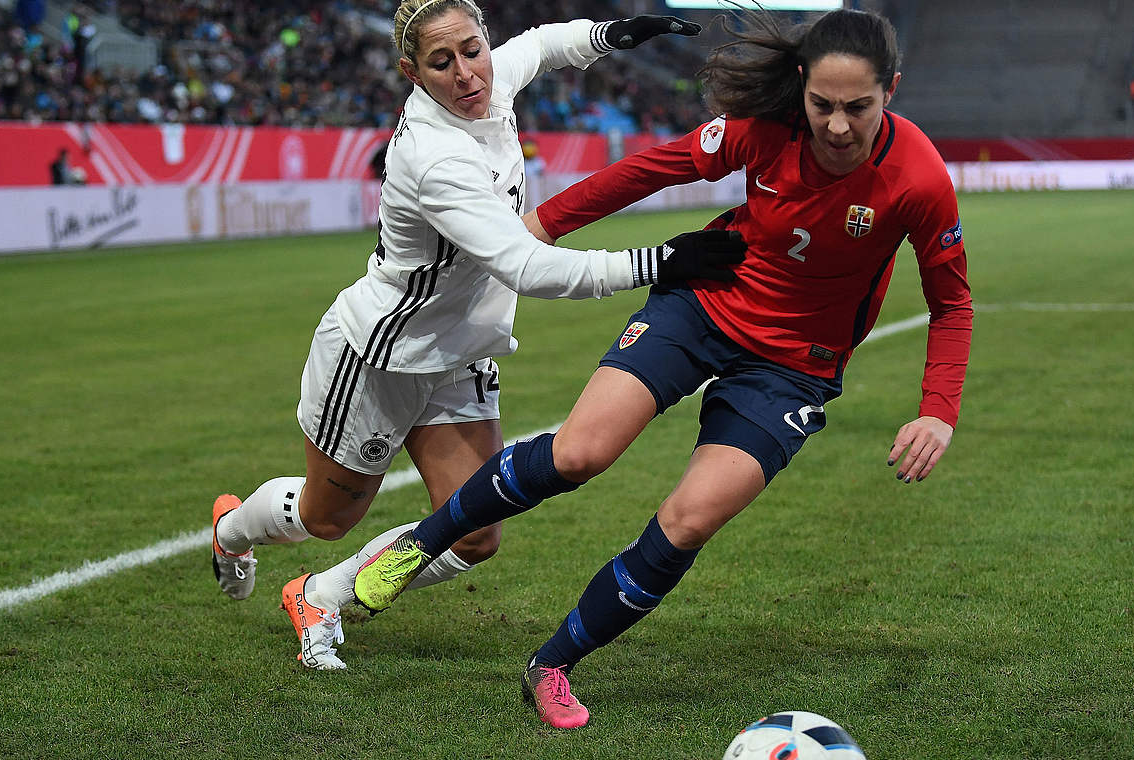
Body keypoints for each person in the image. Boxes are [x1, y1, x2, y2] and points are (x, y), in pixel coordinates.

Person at [353, 6, 974, 729]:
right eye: (823, 106)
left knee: (688, 520)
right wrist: (545, 224)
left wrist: (938, 408)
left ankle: (551, 666)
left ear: (891, 91)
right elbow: (654, 169)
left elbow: (951, 302)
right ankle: (415, 547)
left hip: (792, 369)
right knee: (580, 452)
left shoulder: (920, 180)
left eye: (858, 108)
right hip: (703, 307)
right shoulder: (765, 131)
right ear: (801, 86)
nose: (837, 127)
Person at [208, 0, 743, 671]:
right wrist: (658, 261)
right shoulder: (435, 157)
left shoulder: (489, 81)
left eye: (472, 49)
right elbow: (526, 265)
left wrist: (611, 35)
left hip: (461, 355)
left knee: (476, 531)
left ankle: (322, 595)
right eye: (442, 62)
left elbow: (543, 45)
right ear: (413, 71)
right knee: (326, 517)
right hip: (382, 357)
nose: (467, 72)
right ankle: (232, 530)